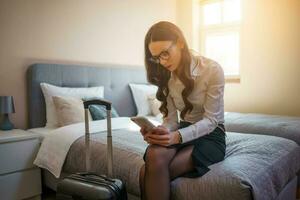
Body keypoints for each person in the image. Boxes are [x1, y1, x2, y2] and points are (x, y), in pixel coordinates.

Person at [139, 21, 226, 200]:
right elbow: (171, 120)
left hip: (211, 135)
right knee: (154, 155)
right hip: (183, 130)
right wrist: (160, 131)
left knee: (145, 172)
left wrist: (176, 136)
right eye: (157, 57)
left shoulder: (212, 69)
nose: (162, 62)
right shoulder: (165, 76)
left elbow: (211, 121)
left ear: (180, 42)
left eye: (165, 53)